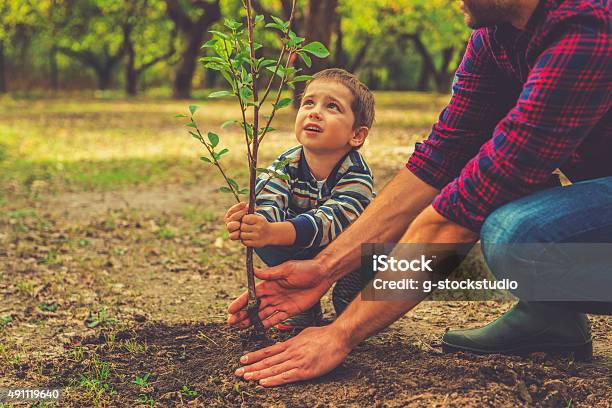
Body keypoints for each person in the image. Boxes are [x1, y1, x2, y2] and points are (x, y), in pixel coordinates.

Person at [226, 0, 612, 387]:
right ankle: (551, 317)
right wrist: (324, 268)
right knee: (505, 186)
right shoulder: (493, 35)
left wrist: (340, 334)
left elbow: (459, 215)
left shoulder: (587, 27)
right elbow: (441, 158)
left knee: (517, 237)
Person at [224, 68, 376, 329]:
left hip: (350, 251)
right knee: (264, 234)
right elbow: (270, 196)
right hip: (303, 245)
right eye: (308, 102)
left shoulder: (357, 174)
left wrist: (275, 231)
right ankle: (305, 304)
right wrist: (256, 223)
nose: (314, 112)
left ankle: (356, 296)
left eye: (332, 107)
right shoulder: (288, 162)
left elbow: (330, 221)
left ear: (357, 135)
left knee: (354, 290)